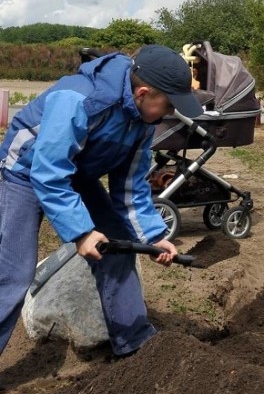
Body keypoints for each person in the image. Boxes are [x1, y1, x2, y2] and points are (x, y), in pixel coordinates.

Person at [0, 44, 204, 361]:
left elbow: (131, 188)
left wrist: (153, 237)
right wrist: (81, 232)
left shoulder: (143, 122)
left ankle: (135, 344)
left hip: (76, 174)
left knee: (118, 246)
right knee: (14, 274)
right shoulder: (81, 99)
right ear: (143, 93)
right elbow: (48, 171)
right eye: (168, 105)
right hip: (24, 173)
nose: (169, 114)